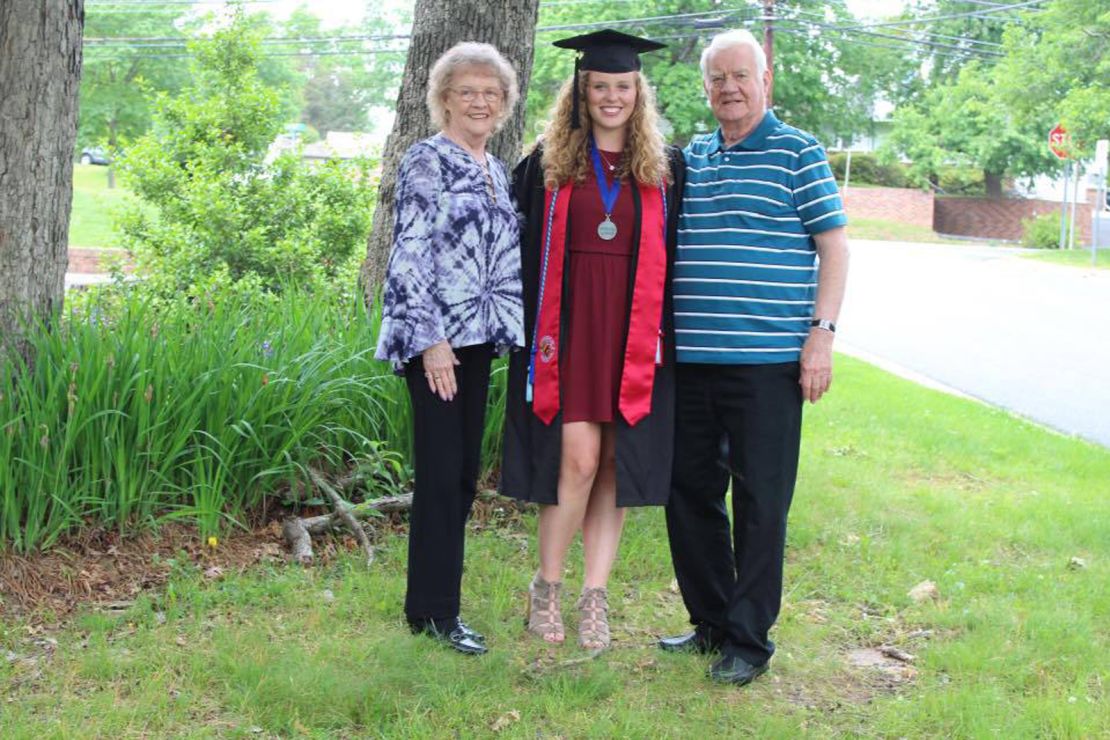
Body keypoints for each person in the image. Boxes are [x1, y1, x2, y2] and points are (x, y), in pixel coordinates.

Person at [659, 29, 850, 685]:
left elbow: (835, 248)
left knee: (762, 502)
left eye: (741, 75)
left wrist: (820, 335)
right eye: (718, 79)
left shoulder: (798, 152)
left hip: (768, 364)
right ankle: (711, 621)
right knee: (688, 493)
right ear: (705, 87)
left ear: (764, 79)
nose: (730, 88)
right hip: (690, 363)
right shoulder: (691, 157)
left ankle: (749, 640)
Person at [502, 30, 685, 650]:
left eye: (623, 87)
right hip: (568, 330)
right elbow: (517, 254)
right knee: (577, 459)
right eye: (600, 86)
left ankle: (594, 598)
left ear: (639, 93)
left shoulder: (663, 170)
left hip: (633, 332)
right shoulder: (545, 165)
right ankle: (546, 588)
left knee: (615, 463)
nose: (612, 97)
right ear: (580, 93)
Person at [375, 42, 524, 656]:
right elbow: (408, 252)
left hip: (478, 339)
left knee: (461, 475)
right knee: (441, 478)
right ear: (444, 100)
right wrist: (431, 340)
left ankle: (433, 604)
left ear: (505, 102)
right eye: (467, 91)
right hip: (435, 343)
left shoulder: (495, 166)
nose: (481, 100)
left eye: (492, 91)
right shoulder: (427, 161)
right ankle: (434, 615)